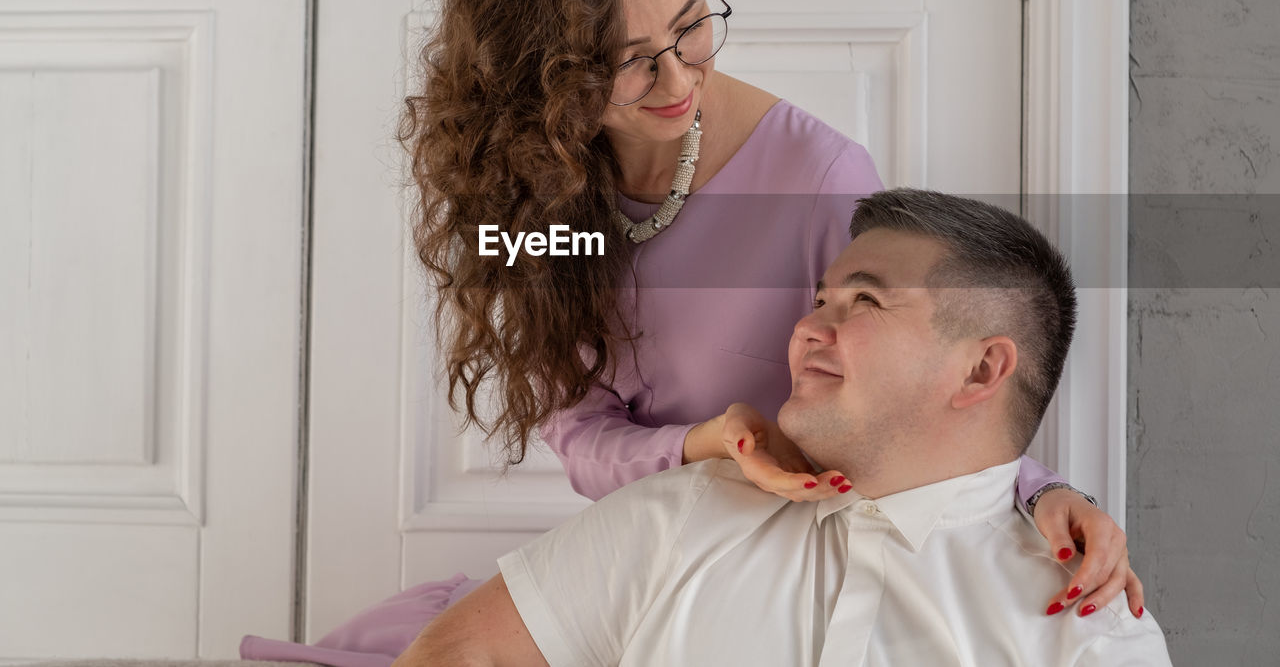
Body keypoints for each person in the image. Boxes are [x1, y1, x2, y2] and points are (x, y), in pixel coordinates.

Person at [240, 0, 1137, 667]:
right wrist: (704, 445)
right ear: (544, 81)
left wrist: (1045, 492)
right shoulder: (539, 202)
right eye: (629, 64)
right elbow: (584, 435)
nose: (679, 81)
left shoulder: (815, 180)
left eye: (693, 25)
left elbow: (915, 385)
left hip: (787, 568)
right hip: (659, 553)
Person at [392, 189, 1172, 666]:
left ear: (980, 371)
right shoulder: (689, 510)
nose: (804, 329)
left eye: (862, 302)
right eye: (820, 297)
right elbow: (461, 652)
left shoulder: (1087, 632)